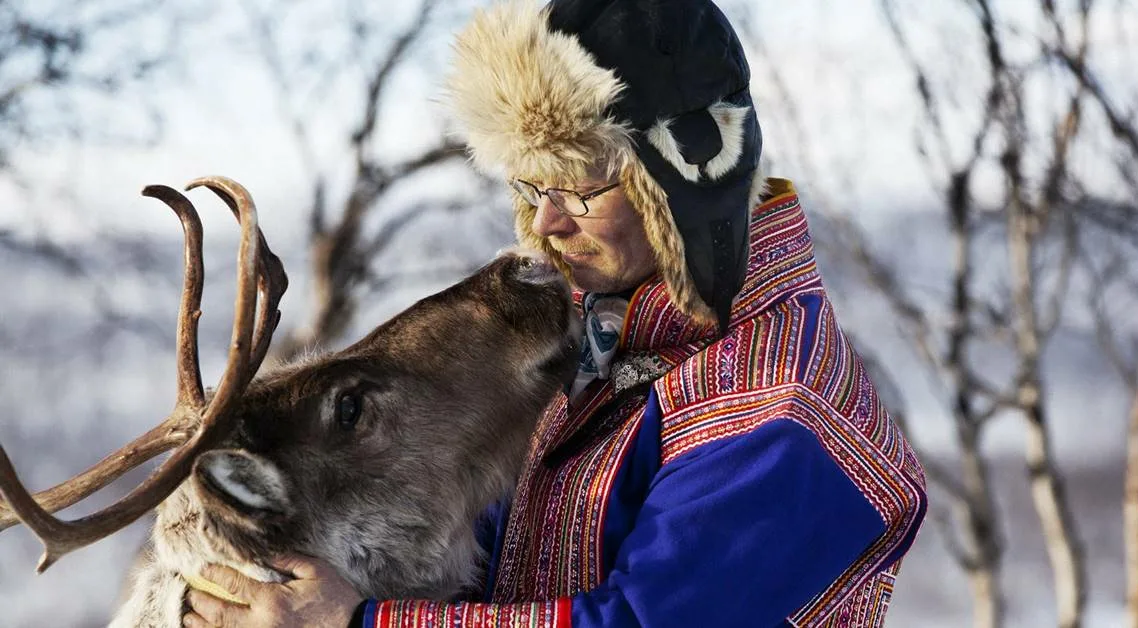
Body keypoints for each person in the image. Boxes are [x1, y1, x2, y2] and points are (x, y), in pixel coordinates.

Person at [182, 0, 928, 626]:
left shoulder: (778, 409)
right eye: (532, 188)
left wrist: (359, 622)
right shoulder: (599, 348)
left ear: (683, 178)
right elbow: (492, 564)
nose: (546, 222)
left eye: (577, 188)